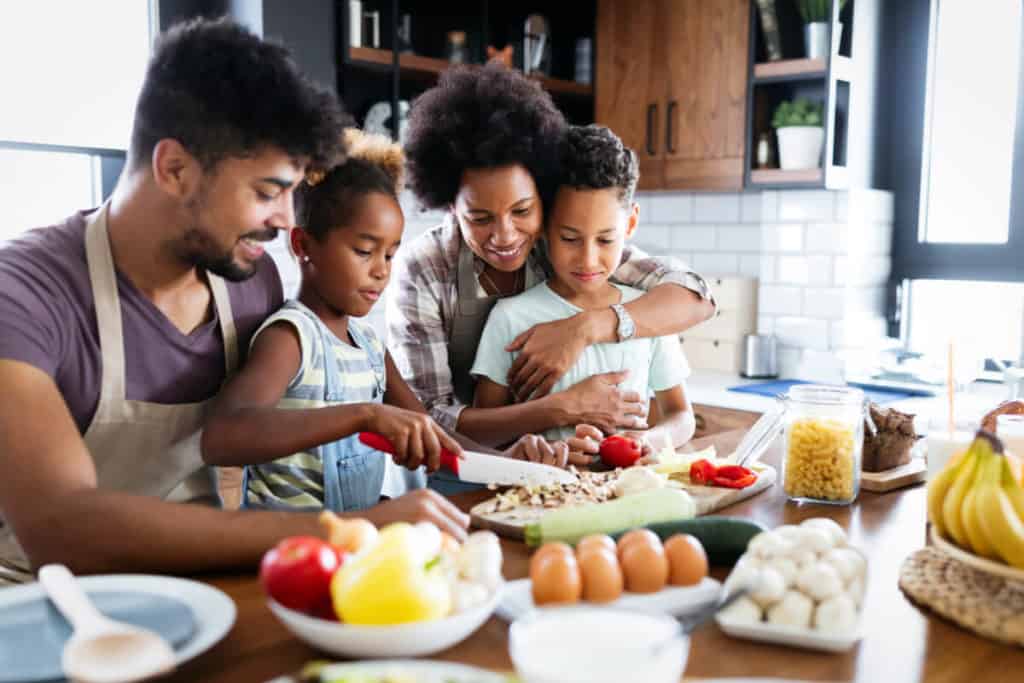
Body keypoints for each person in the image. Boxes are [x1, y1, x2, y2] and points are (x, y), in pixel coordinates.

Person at [0, 18, 460, 585]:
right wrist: (347, 530)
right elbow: (62, 527)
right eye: (268, 192)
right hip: (39, 604)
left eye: (292, 192)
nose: (287, 221)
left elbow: (247, 430)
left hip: (202, 587)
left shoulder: (251, 283)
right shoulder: (22, 294)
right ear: (174, 169)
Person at [201, 130, 563, 530]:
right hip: (289, 550)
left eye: (390, 253)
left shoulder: (370, 348)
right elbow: (223, 436)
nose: (381, 270)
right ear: (303, 246)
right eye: (364, 251)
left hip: (355, 545)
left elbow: (435, 436)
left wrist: (509, 462)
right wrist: (366, 415)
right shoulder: (291, 338)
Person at [389, 64, 715, 468]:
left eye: (522, 210)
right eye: (480, 218)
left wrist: (583, 329)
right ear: (450, 204)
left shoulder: (564, 243)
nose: (506, 235)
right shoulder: (424, 269)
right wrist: (563, 409)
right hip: (453, 470)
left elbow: (695, 296)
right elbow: (430, 418)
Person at [471, 125, 696, 455]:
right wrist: (541, 448)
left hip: (628, 495)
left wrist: (652, 440)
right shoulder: (512, 317)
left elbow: (681, 415)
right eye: (570, 239)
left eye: (606, 240)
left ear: (630, 224)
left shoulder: (648, 315)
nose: (588, 259)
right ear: (544, 225)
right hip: (541, 497)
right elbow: (483, 433)